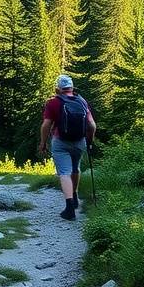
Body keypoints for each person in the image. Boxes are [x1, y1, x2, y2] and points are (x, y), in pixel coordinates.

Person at [37, 74, 96, 220]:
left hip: (60, 141)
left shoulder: (53, 103)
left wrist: (43, 143)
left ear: (58, 89)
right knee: (75, 168)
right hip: (79, 141)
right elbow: (92, 125)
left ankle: (69, 207)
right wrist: (89, 141)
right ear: (71, 87)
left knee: (64, 172)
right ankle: (75, 196)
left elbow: (46, 125)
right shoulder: (82, 101)